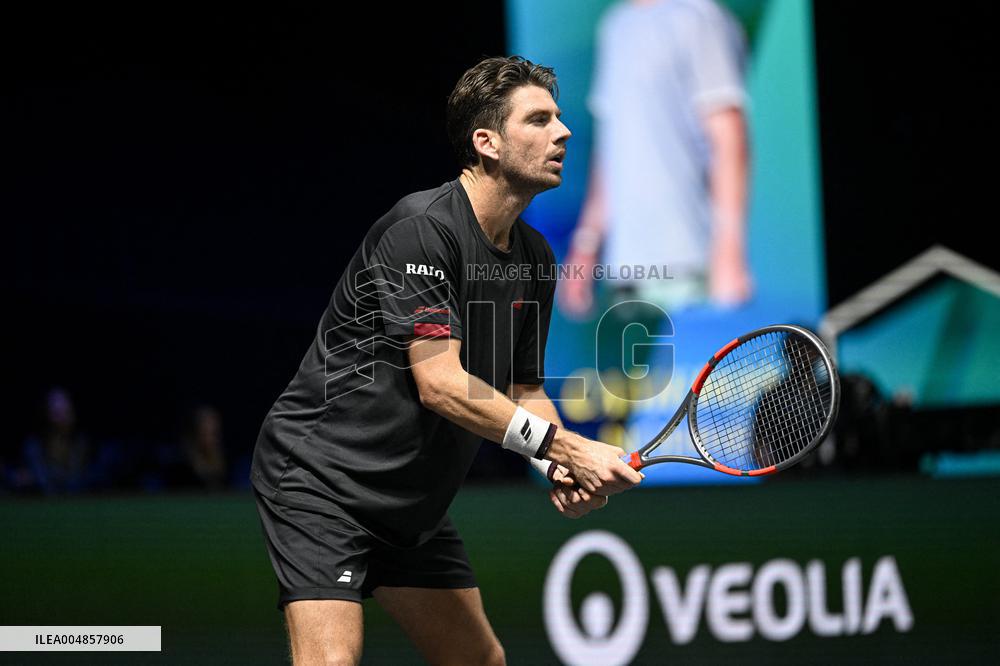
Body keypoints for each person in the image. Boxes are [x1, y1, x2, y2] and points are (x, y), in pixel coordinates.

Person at [250, 56, 643, 665]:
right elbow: (441, 384)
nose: (562, 132)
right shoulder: (422, 230)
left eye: (560, 119)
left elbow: (524, 389)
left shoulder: (536, 258)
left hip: (413, 504)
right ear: (485, 142)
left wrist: (563, 463)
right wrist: (562, 448)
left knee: (479, 661)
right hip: (323, 484)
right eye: (538, 120)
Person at [561, 0, 751, 318]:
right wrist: (586, 245)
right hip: (627, 273)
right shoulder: (616, 25)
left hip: (692, 269)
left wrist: (730, 250)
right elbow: (611, 149)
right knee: (635, 368)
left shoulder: (699, 16)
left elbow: (728, 137)